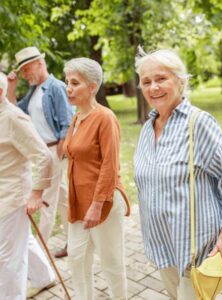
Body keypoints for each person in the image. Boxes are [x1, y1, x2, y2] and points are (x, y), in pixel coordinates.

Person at [134, 49, 222, 299]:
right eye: (146, 81)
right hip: (162, 245)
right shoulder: (147, 129)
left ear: (180, 80)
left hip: (194, 248)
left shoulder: (199, 123)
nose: (153, 87)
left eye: (161, 78)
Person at [63, 57, 130, 300]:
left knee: (111, 262)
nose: (68, 88)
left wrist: (97, 204)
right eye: (67, 82)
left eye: (75, 83)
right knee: (76, 258)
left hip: (103, 202)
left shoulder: (105, 117)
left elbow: (110, 165)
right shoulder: (76, 117)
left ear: (92, 87)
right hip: (78, 202)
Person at [7, 46, 74, 259]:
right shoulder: (35, 90)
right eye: (23, 71)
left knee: (45, 202)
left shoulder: (56, 87)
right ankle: (73, 243)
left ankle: (40, 258)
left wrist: (60, 154)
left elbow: (67, 123)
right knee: (62, 200)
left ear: (39, 63)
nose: (25, 74)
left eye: (27, 69)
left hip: (54, 151)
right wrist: (11, 86)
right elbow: (14, 110)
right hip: (42, 152)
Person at [0, 72, 56, 299]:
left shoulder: (14, 119)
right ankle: (44, 277)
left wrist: (35, 194)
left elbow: (45, 157)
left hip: (12, 196)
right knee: (21, 240)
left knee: (8, 257)